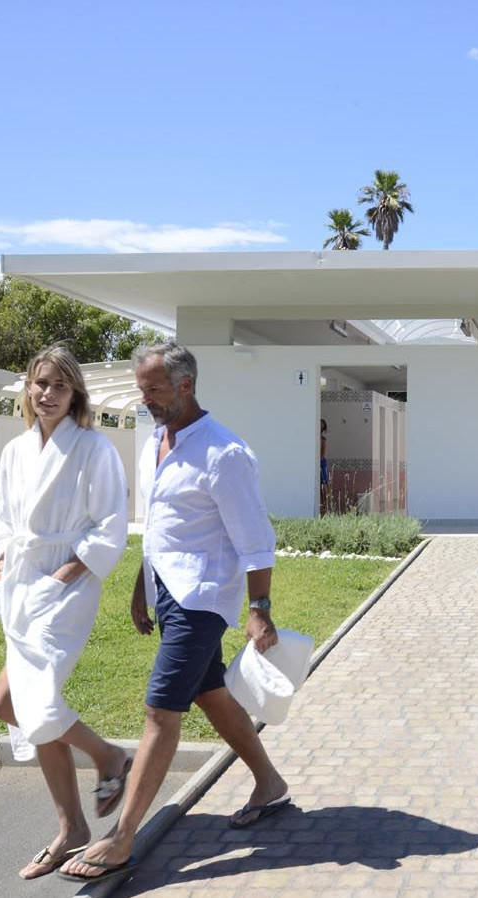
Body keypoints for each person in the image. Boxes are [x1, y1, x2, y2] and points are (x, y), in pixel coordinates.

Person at [61, 342, 288, 885]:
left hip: (202, 598)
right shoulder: (155, 442)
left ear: (186, 385)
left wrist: (259, 608)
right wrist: (142, 587)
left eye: (154, 389)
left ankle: (122, 837)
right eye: (142, 389)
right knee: (210, 693)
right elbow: (160, 528)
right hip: (168, 590)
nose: (146, 400)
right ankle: (270, 784)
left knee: (161, 709)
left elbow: (256, 540)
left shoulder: (223, 453)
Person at [0, 344, 132, 880]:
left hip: (67, 587)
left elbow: (109, 525)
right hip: (20, 585)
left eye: (59, 386)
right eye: (40, 383)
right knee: (16, 702)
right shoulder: (16, 450)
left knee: (21, 699)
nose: (47, 394)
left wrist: (63, 575)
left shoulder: (94, 449)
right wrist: (1, 562)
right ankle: (72, 826)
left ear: (75, 394)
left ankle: (108, 756)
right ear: (28, 388)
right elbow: (0, 516)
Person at [319, 418, 329, 515]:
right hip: (318, 463)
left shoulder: (323, 440)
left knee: (324, 484)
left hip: (321, 463)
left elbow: (322, 454)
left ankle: (326, 508)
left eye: (322, 425)